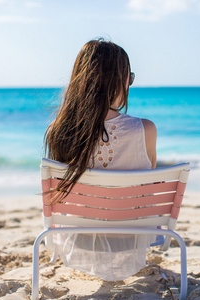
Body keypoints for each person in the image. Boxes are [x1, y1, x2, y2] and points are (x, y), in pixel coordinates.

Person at [44, 38, 157, 281]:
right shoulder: (145, 129)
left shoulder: (59, 130)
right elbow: (147, 190)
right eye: (130, 77)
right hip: (131, 236)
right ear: (118, 80)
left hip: (78, 236)